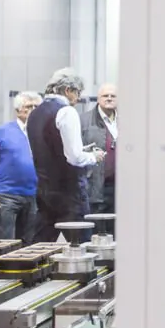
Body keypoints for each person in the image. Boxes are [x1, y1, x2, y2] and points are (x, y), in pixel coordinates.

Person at [29, 68, 104, 243]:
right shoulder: (67, 112)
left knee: (41, 247)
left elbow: (47, 148)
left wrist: (80, 150)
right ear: (68, 90)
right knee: (83, 247)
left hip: (44, 192)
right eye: (78, 92)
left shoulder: (34, 114)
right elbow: (75, 157)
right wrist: (93, 157)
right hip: (69, 194)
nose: (78, 98)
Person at [0, 91, 42, 243]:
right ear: (18, 110)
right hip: (6, 196)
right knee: (4, 244)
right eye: (29, 106)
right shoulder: (2, 132)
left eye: (37, 107)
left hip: (34, 197)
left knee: (29, 246)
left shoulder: (42, 133)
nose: (33, 110)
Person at [81, 84, 118, 227]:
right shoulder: (83, 121)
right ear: (98, 99)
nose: (109, 98)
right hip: (94, 188)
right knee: (95, 232)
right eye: (105, 96)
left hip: (120, 190)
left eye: (113, 96)